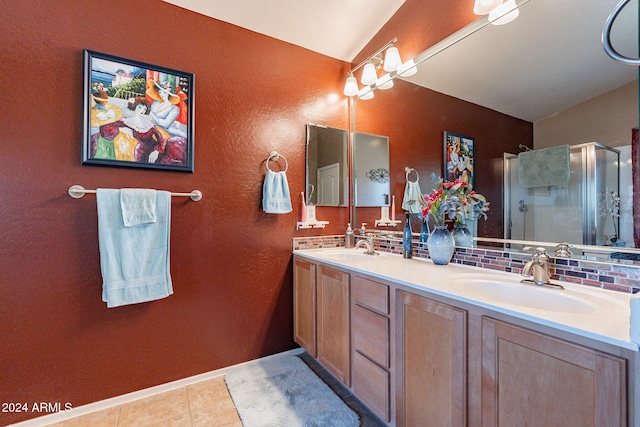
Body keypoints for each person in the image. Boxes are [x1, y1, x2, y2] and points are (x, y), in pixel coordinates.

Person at [91, 97, 186, 165]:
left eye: (144, 109)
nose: (142, 110)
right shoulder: (126, 121)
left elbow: (161, 138)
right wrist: (120, 129)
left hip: (153, 151)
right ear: (135, 106)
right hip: (140, 153)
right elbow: (105, 128)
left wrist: (157, 151)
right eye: (140, 107)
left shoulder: (149, 123)